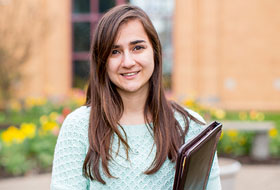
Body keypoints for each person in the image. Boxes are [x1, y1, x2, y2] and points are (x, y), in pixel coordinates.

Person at [51, 4, 221, 190]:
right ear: (102, 61)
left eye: (137, 48)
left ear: (155, 52)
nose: (128, 62)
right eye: (114, 52)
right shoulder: (79, 127)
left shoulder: (191, 126)